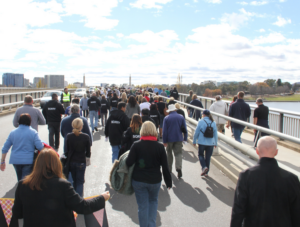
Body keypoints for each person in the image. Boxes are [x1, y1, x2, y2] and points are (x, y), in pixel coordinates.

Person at [12, 148, 110, 227]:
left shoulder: (23, 184)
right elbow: (82, 206)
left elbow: (17, 214)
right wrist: (101, 198)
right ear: (57, 164)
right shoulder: (63, 185)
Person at [230, 136, 300, 227]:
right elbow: (297, 211)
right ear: (276, 152)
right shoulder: (292, 178)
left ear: (257, 151)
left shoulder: (246, 176)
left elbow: (238, 210)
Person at [126, 121, 172, 227]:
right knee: (153, 202)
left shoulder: (136, 145)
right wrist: (168, 182)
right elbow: (165, 166)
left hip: (138, 180)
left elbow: (129, 162)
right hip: (155, 180)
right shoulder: (160, 147)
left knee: (142, 206)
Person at [1, 114, 44, 181]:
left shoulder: (13, 132)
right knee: (25, 181)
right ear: (30, 121)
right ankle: (23, 190)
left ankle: (20, 190)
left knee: (20, 179)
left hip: (15, 160)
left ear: (19, 121)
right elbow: (40, 147)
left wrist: (2, 161)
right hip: (28, 160)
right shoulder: (33, 132)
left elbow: (5, 148)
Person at [66, 118, 91, 197]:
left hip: (71, 161)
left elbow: (67, 150)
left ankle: (73, 198)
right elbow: (88, 152)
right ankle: (79, 199)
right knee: (80, 182)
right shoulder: (86, 137)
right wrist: (87, 159)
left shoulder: (69, 136)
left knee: (73, 182)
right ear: (81, 126)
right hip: (81, 161)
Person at [163, 104, 187, 179]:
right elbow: (185, 129)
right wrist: (185, 139)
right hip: (179, 138)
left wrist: (164, 140)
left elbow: (164, 131)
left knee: (169, 154)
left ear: (169, 111)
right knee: (178, 154)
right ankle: (178, 167)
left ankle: (169, 169)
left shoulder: (166, 118)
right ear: (175, 110)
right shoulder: (181, 117)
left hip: (169, 139)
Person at [193, 110, 218, 177]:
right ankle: (206, 172)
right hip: (211, 143)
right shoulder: (213, 122)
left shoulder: (201, 121)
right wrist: (215, 143)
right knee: (208, 157)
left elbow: (196, 132)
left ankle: (204, 167)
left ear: (203, 115)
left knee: (200, 155)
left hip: (202, 142)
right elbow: (215, 134)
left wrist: (194, 140)